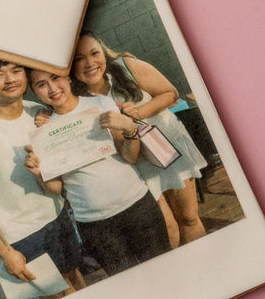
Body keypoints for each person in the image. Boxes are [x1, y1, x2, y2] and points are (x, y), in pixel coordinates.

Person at [0, 58, 84, 299]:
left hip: (57, 218)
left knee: (76, 280)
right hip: (22, 234)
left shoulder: (38, 112)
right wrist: (6, 253)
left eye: (16, 71)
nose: (10, 79)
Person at [25, 68, 171, 277]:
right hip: (95, 226)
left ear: (67, 76)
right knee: (130, 288)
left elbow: (130, 156)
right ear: (34, 90)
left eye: (56, 78)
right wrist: (39, 173)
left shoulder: (99, 104)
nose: (52, 88)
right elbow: (57, 189)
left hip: (138, 207)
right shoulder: (43, 131)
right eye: (41, 84)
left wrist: (130, 130)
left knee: (167, 273)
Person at [72, 33, 206, 247]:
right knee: (167, 228)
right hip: (135, 164)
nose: (90, 63)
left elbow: (170, 94)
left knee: (189, 218)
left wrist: (138, 113)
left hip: (169, 149)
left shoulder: (126, 66)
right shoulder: (75, 98)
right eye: (79, 59)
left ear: (103, 51)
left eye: (94, 53)